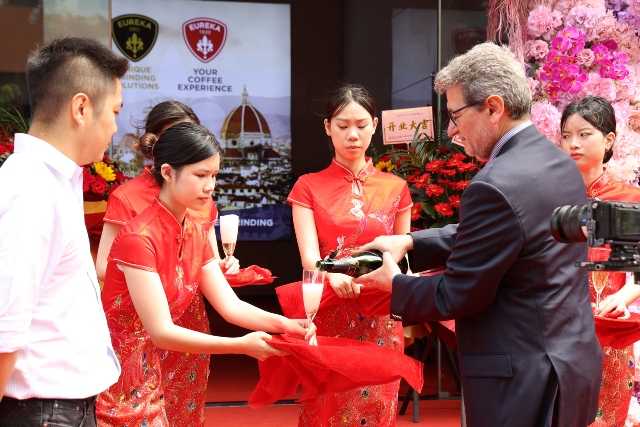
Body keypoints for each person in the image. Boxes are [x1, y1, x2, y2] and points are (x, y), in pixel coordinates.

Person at [358, 42, 602, 427]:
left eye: (455, 115)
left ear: (493, 107)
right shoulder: (556, 161)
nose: (451, 130)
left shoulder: (495, 183)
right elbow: (509, 232)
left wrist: (396, 284)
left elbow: (459, 294)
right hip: (569, 362)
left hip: (522, 379)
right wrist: (412, 242)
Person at [96, 122, 313, 426]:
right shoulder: (139, 237)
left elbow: (231, 305)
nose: (210, 186)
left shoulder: (195, 232)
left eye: (214, 175)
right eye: (200, 175)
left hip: (153, 374)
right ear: (168, 172)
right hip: (119, 378)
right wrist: (240, 346)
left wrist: (287, 325)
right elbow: (161, 331)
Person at [0, 38, 128, 426]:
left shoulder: (52, 180)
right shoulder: (29, 188)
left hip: (58, 407)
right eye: (115, 112)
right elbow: (5, 327)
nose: (115, 127)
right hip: (43, 411)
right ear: (81, 108)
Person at [96, 100, 237, 426]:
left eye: (212, 175)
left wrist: (222, 267)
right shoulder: (130, 204)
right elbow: (106, 265)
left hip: (188, 316)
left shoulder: (198, 199)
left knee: (185, 407)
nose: (209, 184)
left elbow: (206, 260)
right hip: (142, 324)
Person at [286, 84, 412, 426]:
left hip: (380, 312)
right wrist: (331, 275)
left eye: (360, 125)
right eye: (342, 126)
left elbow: (400, 253)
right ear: (328, 127)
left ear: (375, 125)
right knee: (327, 407)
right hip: (329, 308)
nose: (352, 135)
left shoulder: (396, 188)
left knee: (378, 405)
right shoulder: (308, 187)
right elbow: (309, 258)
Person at [560, 96, 640, 427]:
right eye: (566, 135)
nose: (573, 144)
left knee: (607, 414)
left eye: (584, 134)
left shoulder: (629, 199)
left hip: (610, 325)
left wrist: (626, 294)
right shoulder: (551, 197)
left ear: (609, 140)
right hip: (557, 327)